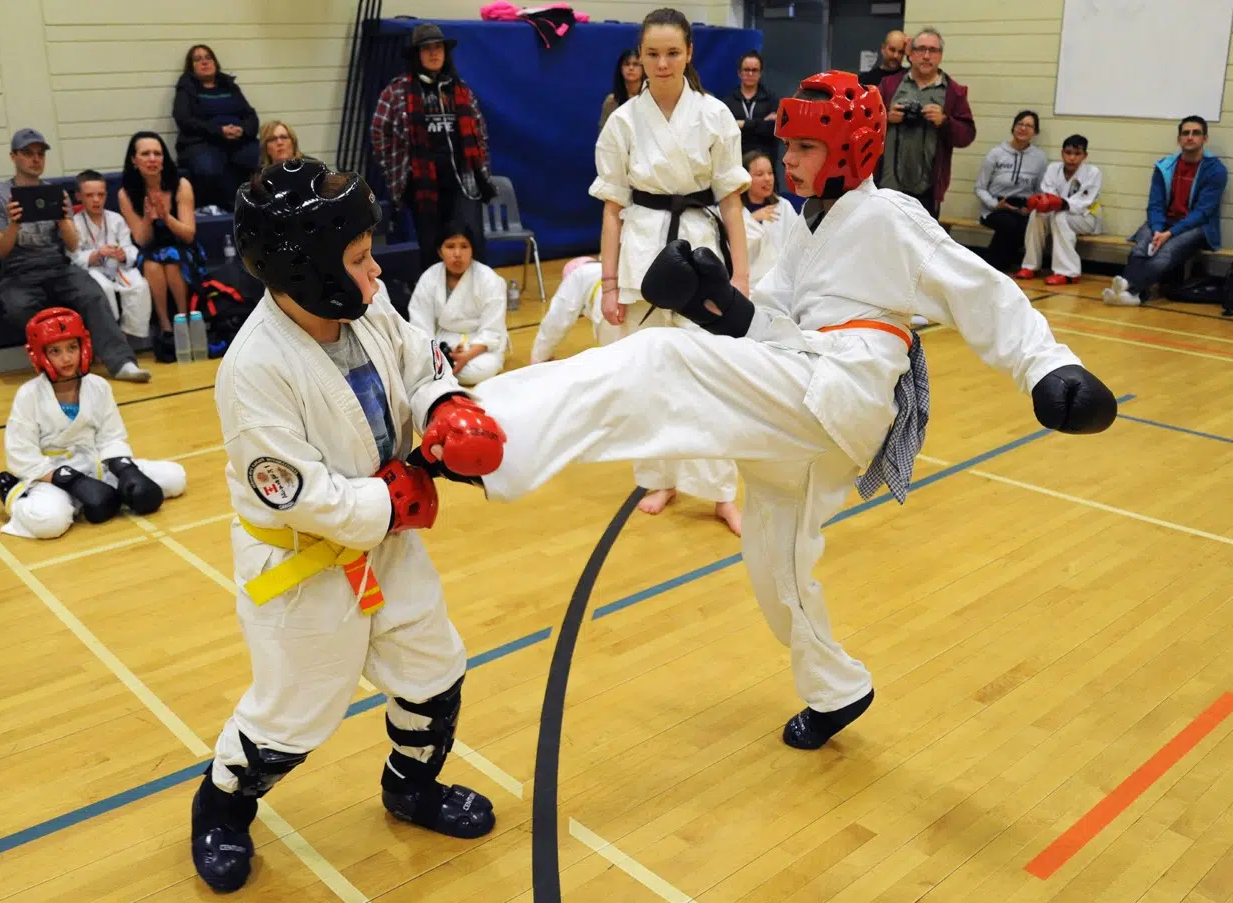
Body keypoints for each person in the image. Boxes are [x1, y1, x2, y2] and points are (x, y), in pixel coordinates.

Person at [465, 71, 1117, 753]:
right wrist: (709, 296)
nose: (788, 162)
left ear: (850, 150)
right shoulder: (811, 226)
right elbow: (766, 318)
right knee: (774, 567)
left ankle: (494, 430)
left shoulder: (889, 217)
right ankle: (837, 690)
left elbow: (982, 291)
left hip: (840, 386)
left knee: (660, 359)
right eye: (789, 146)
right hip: (806, 400)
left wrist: (1046, 365)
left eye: (806, 147)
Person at [189, 157, 506, 894]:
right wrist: (394, 502)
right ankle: (221, 808)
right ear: (307, 269)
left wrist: (445, 409)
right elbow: (293, 491)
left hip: (386, 543)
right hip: (302, 562)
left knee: (434, 669)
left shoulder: (365, 304)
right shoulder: (254, 369)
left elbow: (419, 360)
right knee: (294, 712)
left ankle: (411, 788)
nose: (375, 270)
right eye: (359, 258)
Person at [593, 7, 748, 535]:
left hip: (701, 246)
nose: (661, 64)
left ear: (689, 54)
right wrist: (610, 283)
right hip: (641, 250)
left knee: (709, 373)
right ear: (638, 58)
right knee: (650, 375)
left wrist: (742, 279)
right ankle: (659, 477)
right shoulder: (622, 121)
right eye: (651, 54)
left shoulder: (715, 115)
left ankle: (722, 491)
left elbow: (730, 201)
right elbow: (612, 208)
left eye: (672, 53)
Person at [0, 308, 186, 540]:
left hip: (97, 466)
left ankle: (109, 495)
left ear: (83, 346)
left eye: (72, 348)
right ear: (40, 355)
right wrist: (72, 480)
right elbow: (21, 454)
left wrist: (126, 470)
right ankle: (13, 494)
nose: (66, 358)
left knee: (175, 478)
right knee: (50, 523)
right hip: (52, 475)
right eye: (55, 351)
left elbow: (111, 436)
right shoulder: (29, 395)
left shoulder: (98, 385)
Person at [0, 128, 150, 382]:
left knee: (92, 294)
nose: (35, 159)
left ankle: (122, 363)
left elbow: (72, 245)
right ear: (13, 157)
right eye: (28, 153)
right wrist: (14, 223)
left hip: (58, 267)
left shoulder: (57, 194)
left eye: (40, 154)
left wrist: (62, 219)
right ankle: (57, 367)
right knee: (19, 307)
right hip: (18, 272)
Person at [371, 23, 493, 270]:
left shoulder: (460, 90)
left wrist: (481, 169)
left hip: (462, 182)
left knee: (470, 241)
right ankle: (434, 302)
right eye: (426, 49)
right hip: (422, 186)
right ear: (417, 55)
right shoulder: (397, 92)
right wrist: (398, 171)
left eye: (438, 48)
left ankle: (473, 301)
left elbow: (479, 133)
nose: (434, 53)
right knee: (430, 247)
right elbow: (379, 134)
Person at [1103, 115, 1228, 306]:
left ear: (1205, 139)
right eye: (1185, 133)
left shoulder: (1215, 170)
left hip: (1196, 227)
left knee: (1165, 253)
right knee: (1141, 246)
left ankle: (1131, 289)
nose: (1190, 137)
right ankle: (1132, 295)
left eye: (1196, 133)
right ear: (1179, 139)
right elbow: (1155, 204)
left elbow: (1203, 212)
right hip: (1164, 222)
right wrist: (1158, 229)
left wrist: (1169, 234)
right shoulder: (1165, 166)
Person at [877, 27, 975, 218]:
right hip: (886, 188)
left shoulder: (953, 92)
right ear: (911, 54)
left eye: (933, 50)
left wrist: (945, 122)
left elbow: (967, 135)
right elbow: (863, 122)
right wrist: (885, 118)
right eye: (921, 49)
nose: (927, 56)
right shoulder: (889, 85)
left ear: (940, 56)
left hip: (927, 193)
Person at [118, 131, 201, 350]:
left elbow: (189, 234)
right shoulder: (126, 193)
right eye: (145, 154)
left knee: (173, 263)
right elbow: (142, 240)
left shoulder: (181, 184)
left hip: (182, 247)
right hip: (150, 250)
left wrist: (166, 217)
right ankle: (166, 329)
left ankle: (185, 324)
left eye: (158, 153)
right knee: (152, 265)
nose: (152, 159)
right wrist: (147, 218)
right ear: (134, 161)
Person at [407, 222, 509, 385]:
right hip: (444, 340)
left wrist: (468, 354)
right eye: (450, 246)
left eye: (464, 246)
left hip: (479, 343)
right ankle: (441, 365)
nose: (457, 253)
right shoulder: (429, 277)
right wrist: (437, 353)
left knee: (477, 370)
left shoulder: (489, 279)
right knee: (415, 364)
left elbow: (492, 329)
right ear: (440, 251)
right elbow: (421, 323)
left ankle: (443, 370)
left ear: (472, 250)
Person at [172, 44, 261, 210]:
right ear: (191, 67)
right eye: (198, 59)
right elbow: (184, 120)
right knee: (209, 168)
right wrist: (219, 131)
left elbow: (250, 116)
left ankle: (252, 209)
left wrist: (243, 130)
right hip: (201, 141)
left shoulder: (229, 85)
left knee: (257, 159)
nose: (204, 62)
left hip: (237, 140)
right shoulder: (187, 87)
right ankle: (221, 211)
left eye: (208, 57)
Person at [71, 169, 153, 339]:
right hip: (92, 270)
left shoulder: (116, 219)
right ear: (79, 196)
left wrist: (123, 254)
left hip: (118, 267)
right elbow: (74, 257)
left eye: (101, 195)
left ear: (106, 195)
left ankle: (130, 333)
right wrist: (96, 254)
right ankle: (109, 335)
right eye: (89, 195)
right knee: (104, 288)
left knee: (140, 286)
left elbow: (130, 248)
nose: (96, 200)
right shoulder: (74, 223)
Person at [1016, 134, 1102, 285]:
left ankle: (1068, 272)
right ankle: (1030, 266)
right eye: (1068, 153)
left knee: (1059, 217)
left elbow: (1084, 201)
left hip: (1086, 218)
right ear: (1062, 153)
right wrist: (1045, 202)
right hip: (1058, 214)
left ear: (1085, 155)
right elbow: (1048, 194)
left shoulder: (1093, 172)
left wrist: (1059, 203)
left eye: (1077, 154)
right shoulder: (1053, 169)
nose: (1072, 158)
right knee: (1037, 214)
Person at [974, 110, 1046, 272]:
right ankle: (992, 266)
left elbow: (1039, 190)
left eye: (1029, 126)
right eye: (1020, 124)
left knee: (1028, 225)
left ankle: (996, 266)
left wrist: (1031, 208)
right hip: (997, 205)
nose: (1023, 128)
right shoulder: (996, 153)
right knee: (1010, 224)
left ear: (1035, 132)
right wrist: (995, 205)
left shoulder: (1040, 158)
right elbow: (980, 187)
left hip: (1023, 206)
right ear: (1013, 127)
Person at [530, 255, 612, 363]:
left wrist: (540, 356)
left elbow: (556, 321)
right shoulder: (607, 268)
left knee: (613, 358)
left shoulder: (577, 275)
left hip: (606, 302)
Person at [722, 52, 781, 192]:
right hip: (737, 167)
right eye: (746, 70)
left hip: (766, 168)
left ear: (760, 73)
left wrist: (742, 124)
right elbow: (726, 132)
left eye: (754, 70)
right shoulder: (728, 101)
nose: (750, 74)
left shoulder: (771, 99)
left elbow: (773, 129)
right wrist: (761, 124)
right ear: (739, 73)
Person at [741, 150, 797, 288]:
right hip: (748, 284)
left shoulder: (783, 206)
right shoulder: (733, 210)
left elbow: (797, 243)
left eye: (770, 173)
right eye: (759, 174)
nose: (767, 179)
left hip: (780, 283)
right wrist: (752, 220)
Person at [600, 49, 644, 130]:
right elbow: (604, 135)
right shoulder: (612, 102)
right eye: (627, 64)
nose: (631, 68)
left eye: (636, 64)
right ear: (620, 69)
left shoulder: (651, 98)